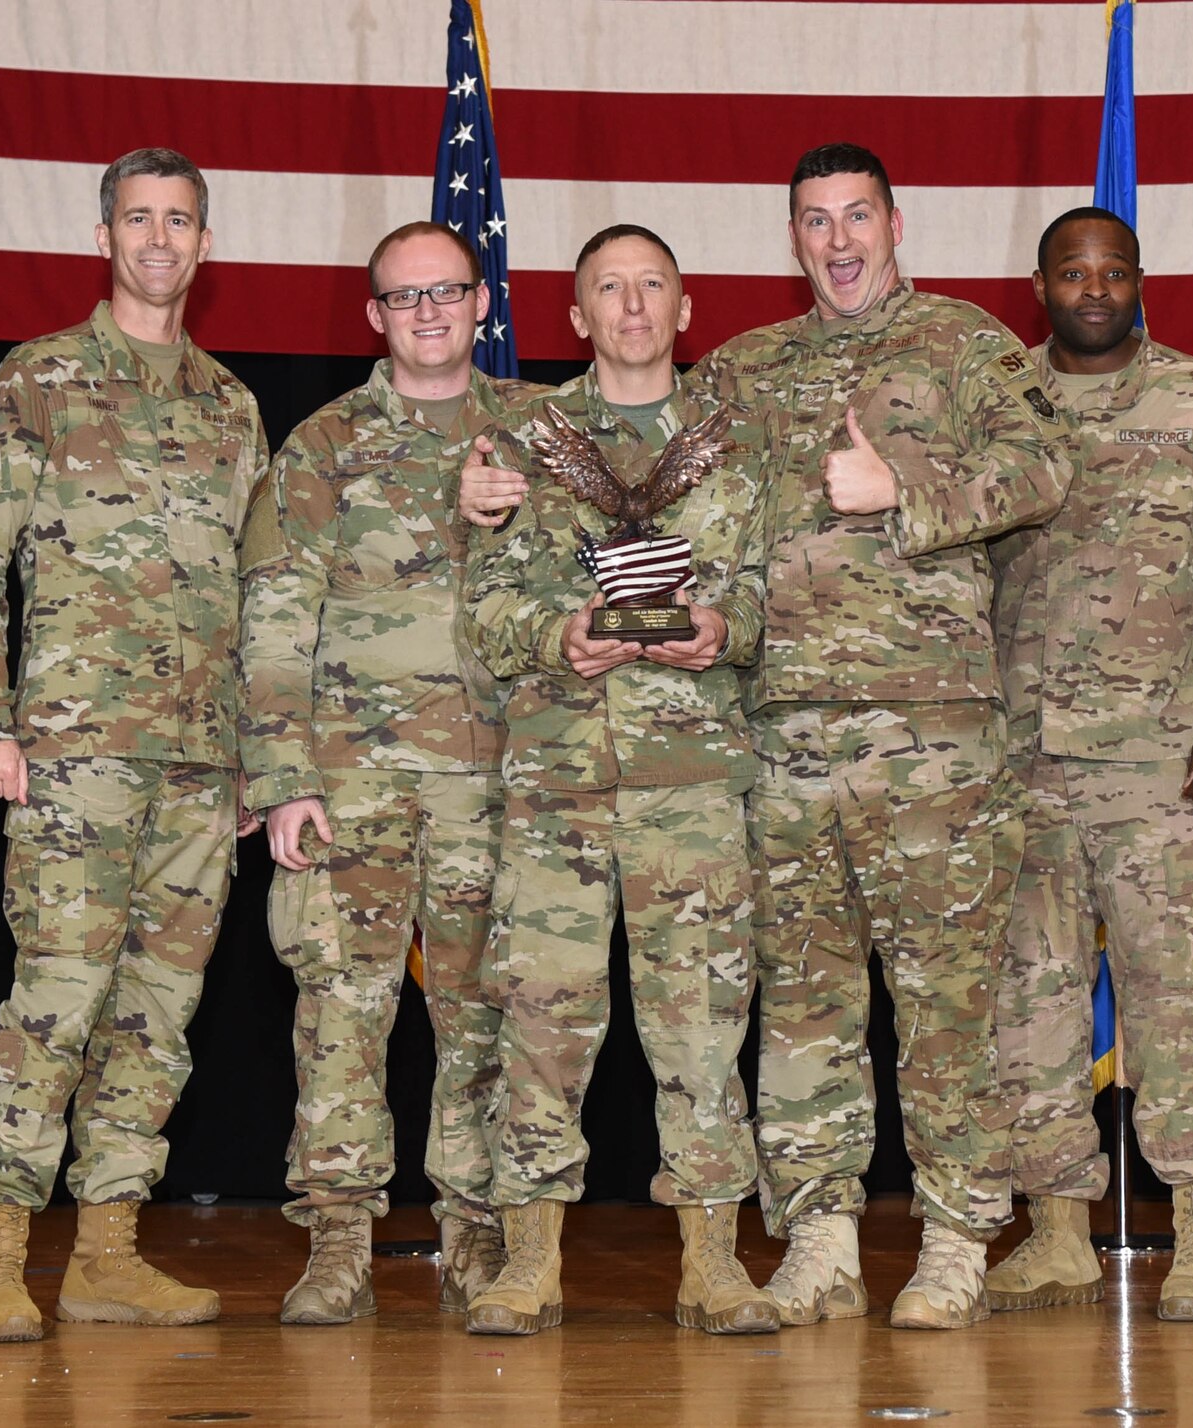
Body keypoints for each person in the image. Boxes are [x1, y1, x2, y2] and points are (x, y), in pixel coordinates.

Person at [464, 145, 1071, 1329]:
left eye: (856, 217)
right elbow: (616, 454)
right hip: (777, 734)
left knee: (945, 1002)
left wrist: (901, 483)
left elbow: (1047, 464)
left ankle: (953, 1237)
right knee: (802, 1008)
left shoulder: (968, 346)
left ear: (896, 223)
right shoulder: (743, 371)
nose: (837, 240)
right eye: (813, 221)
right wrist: (479, 484)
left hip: (929, 730)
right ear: (791, 237)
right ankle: (820, 1236)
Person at [0, 147, 265, 1342]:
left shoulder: (231, 405)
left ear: (205, 242)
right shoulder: (41, 378)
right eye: (140, 218)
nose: (161, 240)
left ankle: (108, 1253)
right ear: (105, 234)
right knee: (57, 1003)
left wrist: (252, 758)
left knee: (158, 1014)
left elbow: (258, 593)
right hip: (73, 750)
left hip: (198, 762)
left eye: (181, 220)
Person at [984, 208, 1193, 1321]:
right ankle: (1056, 1236)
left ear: (1139, 281)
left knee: (1178, 1002)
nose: (1091, 288)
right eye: (1069, 272)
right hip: (1018, 767)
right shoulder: (996, 407)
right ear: (1036, 286)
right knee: (1026, 1010)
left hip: (1161, 770)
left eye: (1110, 271)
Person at [459, 226, 777, 1337]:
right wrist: (563, 636)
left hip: (691, 782)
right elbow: (484, 612)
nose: (632, 306)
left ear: (687, 310)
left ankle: (712, 1261)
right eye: (609, 288)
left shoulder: (744, 444)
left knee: (700, 1025)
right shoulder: (520, 443)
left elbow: (796, 600)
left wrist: (726, 629)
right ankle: (528, 1261)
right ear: (575, 316)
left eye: (652, 287)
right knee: (540, 1018)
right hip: (557, 783)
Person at [239, 221, 516, 1325]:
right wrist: (280, 777)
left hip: (496, 781)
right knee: (339, 1010)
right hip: (349, 782)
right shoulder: (324, 444)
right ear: (375, 317)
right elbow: (271, 623)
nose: (430, 314)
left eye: (446, 293)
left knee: (484, 1014)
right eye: (405, 299)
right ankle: (340, 1239)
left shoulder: (541, 433)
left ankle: (476, 1233)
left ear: (482, 301)